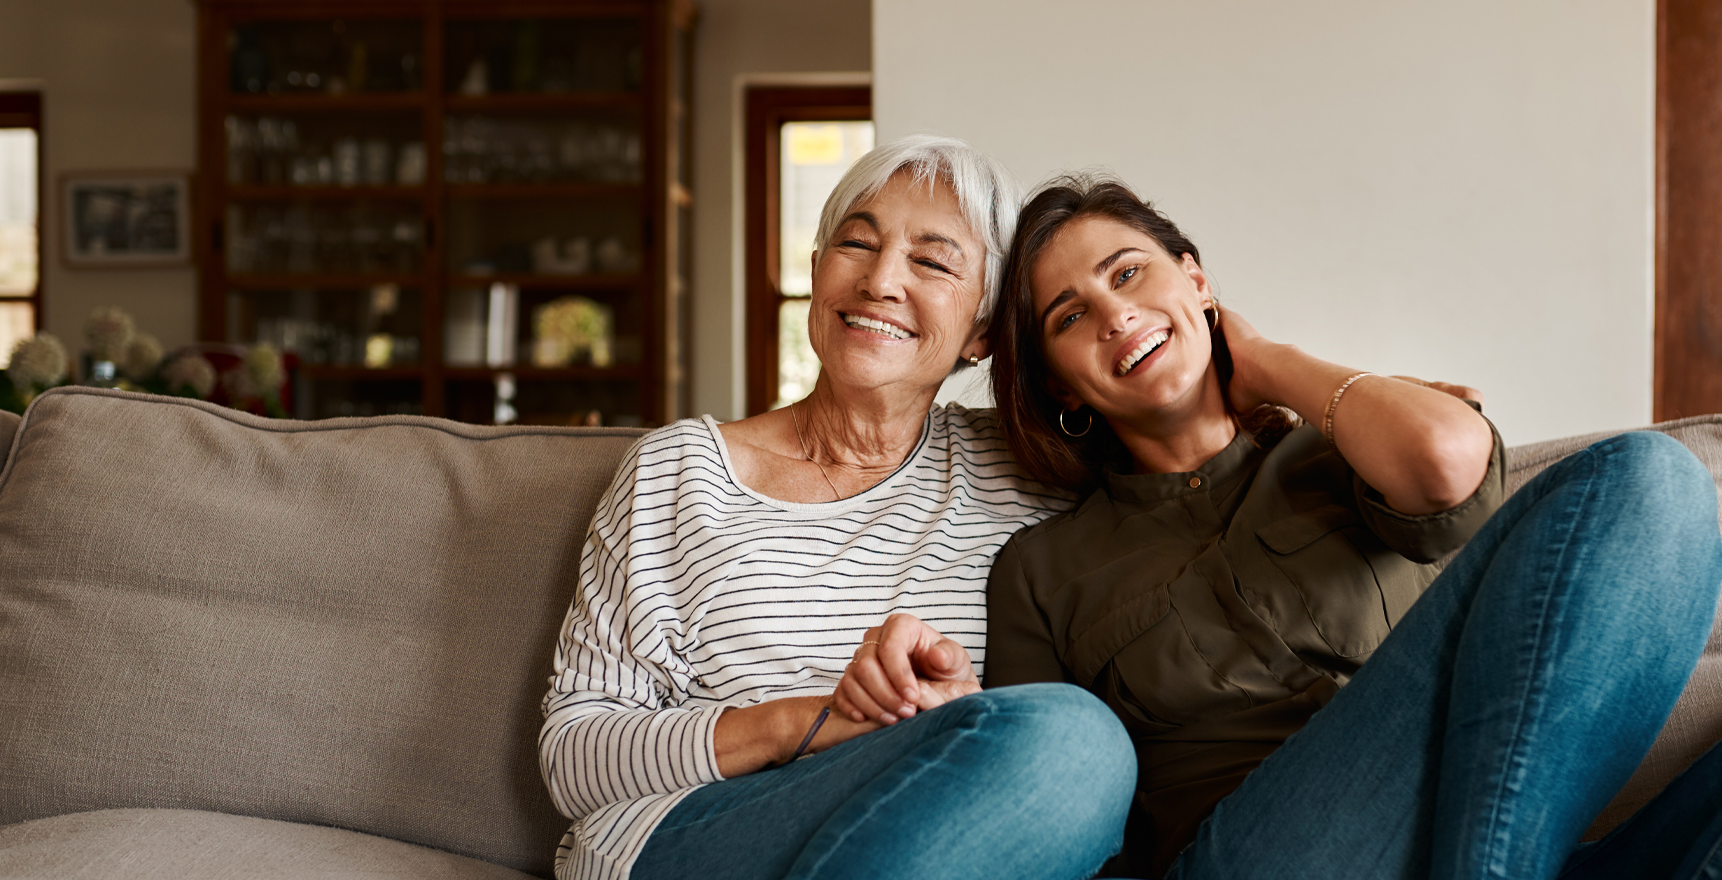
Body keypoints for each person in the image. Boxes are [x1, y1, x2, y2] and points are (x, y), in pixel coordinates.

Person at [837, 173, 1722, 879]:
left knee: (1653, 483)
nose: (1115, 314)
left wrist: (1266, 360)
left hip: (1484, 827)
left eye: (1130, 272)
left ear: (1197, 278)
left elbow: (1450, 461)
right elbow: (1054, 825)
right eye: (1071, 318)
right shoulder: (1042, 569)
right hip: (1262, 852)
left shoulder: (1340, 454)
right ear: (1062, 384)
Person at [538, 139, 1137, 880]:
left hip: (919, 838)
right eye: (856, 242)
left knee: (1074, 754)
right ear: (818, 271)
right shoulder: (682, 472)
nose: (881, 280)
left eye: (932, 261)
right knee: (1075, 740)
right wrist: (817, 722)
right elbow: (573, 760)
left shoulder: (1027, 470)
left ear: (983, 332)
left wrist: (957, 713)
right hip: (688, 836)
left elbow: (1188, 412)